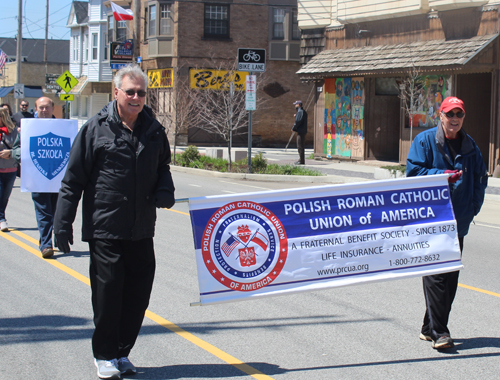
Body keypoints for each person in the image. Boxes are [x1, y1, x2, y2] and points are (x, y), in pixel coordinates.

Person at [53, 65, 175, 379]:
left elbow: (163, 166)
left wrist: (165, 189)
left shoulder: (154, 130)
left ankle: (121, 353)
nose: (136, 97)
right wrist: (62, 224)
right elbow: (72, 181)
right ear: (116, 92)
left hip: (141, 229)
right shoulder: (95, 129)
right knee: (109, 295)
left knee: (137, 296)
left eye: (141, 93)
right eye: (130, 91)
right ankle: (104, 355)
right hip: (105, 227)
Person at [407, 96, 488, 350]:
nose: (454, 119)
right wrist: (442, 175)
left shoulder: (470, 146)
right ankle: (440, 332)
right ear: (440, 116)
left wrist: (472, 208)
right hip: (432, 219)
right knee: (436, 275)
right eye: (449, 114)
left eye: (459, 114)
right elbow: (413, 173)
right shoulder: (424, 141)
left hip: (458, 221)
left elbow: (480, 179)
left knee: (450, 278)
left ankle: (427, 327)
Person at [0, 97, 59, 257]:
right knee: (44, 212)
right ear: (36, 109)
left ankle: (53, 238)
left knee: (55, 211)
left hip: (57, 178)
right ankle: (46, 245)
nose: (44, 110)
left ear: (53, 108)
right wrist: (14, 153)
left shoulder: (62, 127)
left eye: (47, 107)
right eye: (41, 108)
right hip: (36, 177)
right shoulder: (28, 127)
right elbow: (18, 148)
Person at [0, 108, 18, 232]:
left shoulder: (14, 132)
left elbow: (19, 149)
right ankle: (2, 219)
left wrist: (10, 152)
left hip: (11, 169)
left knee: (5, 197)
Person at [291, 100, 307, 165]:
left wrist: (293, 128)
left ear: (299, 105)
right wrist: (296, 115)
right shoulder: (302, 112)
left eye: (296, 104)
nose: (295, 106)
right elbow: (300, 119)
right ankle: (301, 159)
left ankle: (301, 160)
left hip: (300, 131)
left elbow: (298, 121)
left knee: (300, 146)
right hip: (303, 130)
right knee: (301, 146)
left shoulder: (300, 112)